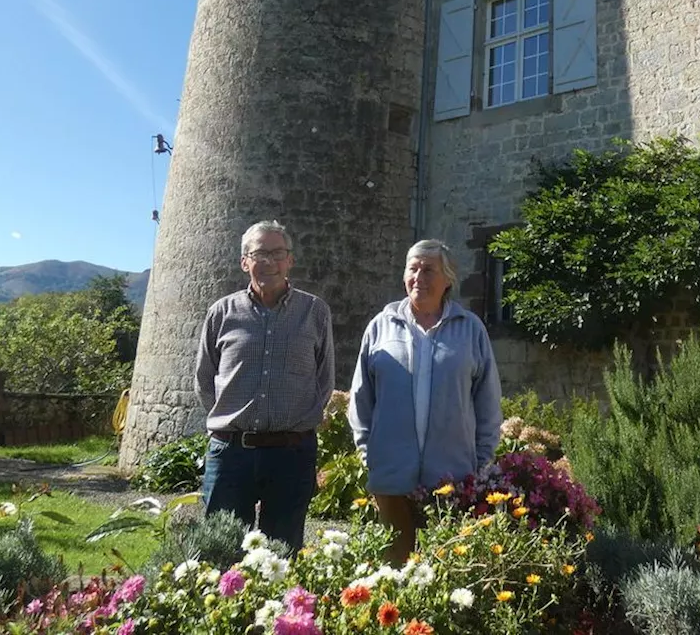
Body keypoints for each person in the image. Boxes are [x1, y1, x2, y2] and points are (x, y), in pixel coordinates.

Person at [348, 239, 502, 563]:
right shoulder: (380, 327)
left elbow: (487, 402)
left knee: (447, 571)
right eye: (413, 268)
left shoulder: (470, 330)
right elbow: (361, 399)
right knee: (394, 569)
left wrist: (479, 463)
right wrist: (369, 454)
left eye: (428, 269)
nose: (419, 277)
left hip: (452, 480)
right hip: (391, 478)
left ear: (448, 280)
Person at [194, 220, 334, 553]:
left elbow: (324, 380)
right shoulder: (222, 313)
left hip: (291, 453)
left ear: (290, 260)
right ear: (245, 262)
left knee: (281, 558)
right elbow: (204, 379)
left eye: (277, 253)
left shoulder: (314, 312)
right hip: (230, 454)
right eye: (259, 253)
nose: (268, 261)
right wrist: (229, 420)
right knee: (221, 555)